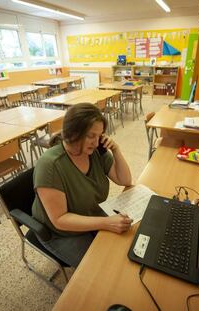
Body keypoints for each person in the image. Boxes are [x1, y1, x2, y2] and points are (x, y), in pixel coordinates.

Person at [32, 103, 133, 267]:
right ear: (73, 134)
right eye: (91, 135)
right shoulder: (50, 165)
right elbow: (60, 219)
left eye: (99, 135)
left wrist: (116, 150)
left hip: (90, 215)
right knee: (101, 268)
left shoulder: (95, 152)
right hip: (61, 232)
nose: (96, 142)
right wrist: (106, 223)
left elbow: (125, 180)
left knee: (123, 251)